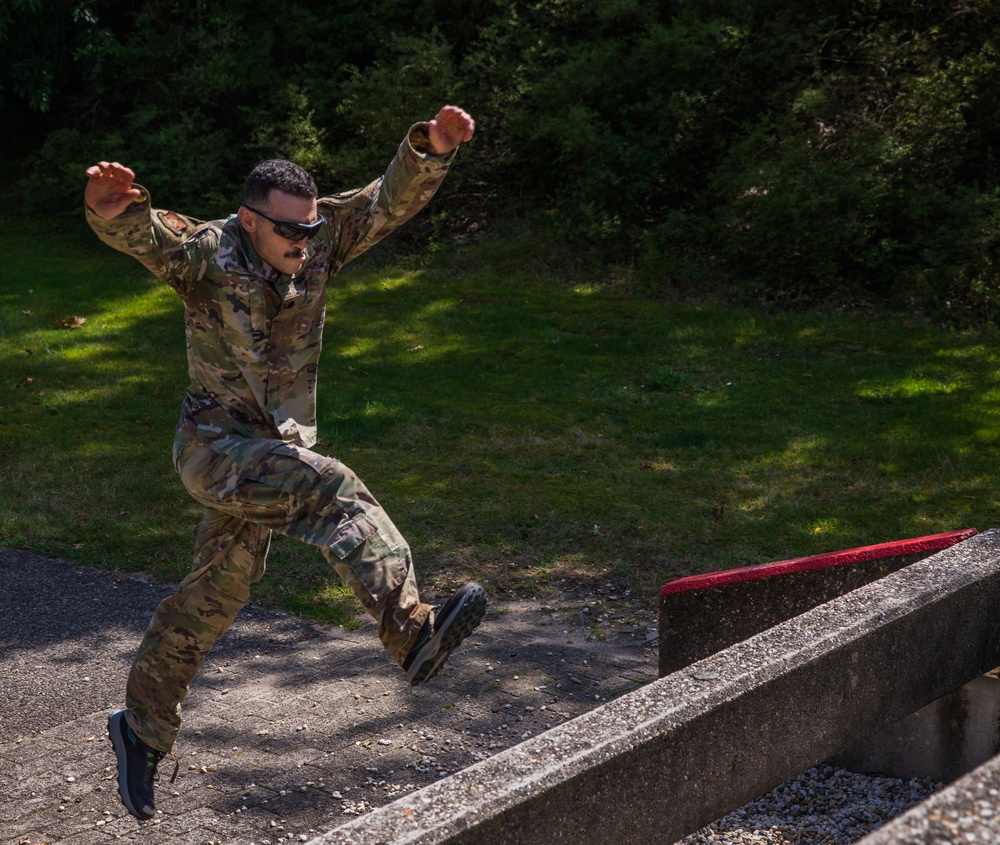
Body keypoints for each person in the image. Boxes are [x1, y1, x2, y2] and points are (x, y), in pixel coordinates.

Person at [84, 105, 487, 822]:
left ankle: (140, 727)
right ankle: (411, 629)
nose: (303, 240)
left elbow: (384, 200)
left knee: (218, 589)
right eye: (288, 229)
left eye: (309, 227)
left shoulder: (320, 237)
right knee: (334, 487)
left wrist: (432, 147)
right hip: (215, 449)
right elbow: (151, 238)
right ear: (248, 221)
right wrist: (113, 210)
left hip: (271, 450)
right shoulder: (212, 253)